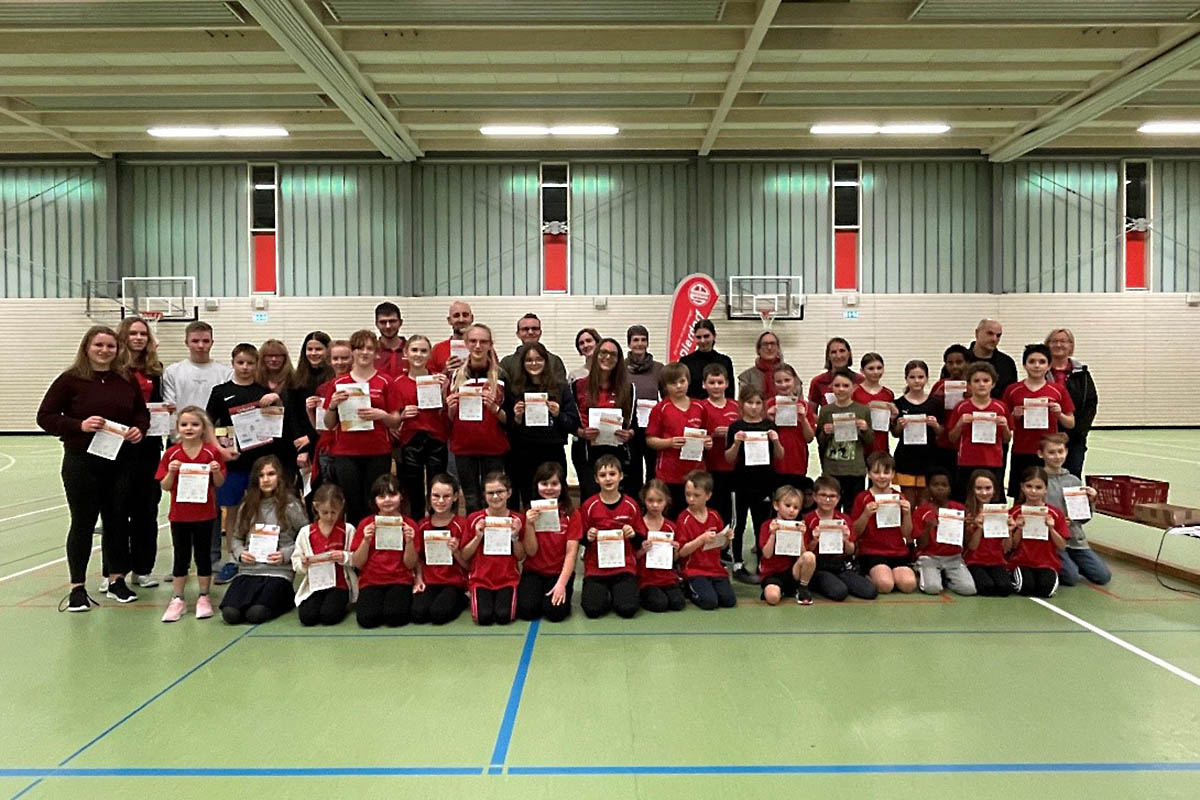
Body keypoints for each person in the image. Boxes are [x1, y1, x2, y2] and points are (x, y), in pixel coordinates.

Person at [38, 326, 149, 612]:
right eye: (99, 345)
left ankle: (116, 580)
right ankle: (77, 587)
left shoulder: (125, 378)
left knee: (116, 521)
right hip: (81, 461)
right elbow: (45, 416)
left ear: (117, 349)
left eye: (110, 346)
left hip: (120, 461)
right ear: (87, 347)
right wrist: (79, 425)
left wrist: (139, 429)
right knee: (83, 523)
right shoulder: (70, 379)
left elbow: (140, 412)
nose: (104, 351)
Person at [205, 342, 284, 585]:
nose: (245, 367)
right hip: (233, 462)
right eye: (241, 362)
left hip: (259, 463)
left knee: (260, 508)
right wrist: (220, 449)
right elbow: (209, 423)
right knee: (232, 510)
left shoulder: (263, 391)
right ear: (233, 363)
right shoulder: (220, 392)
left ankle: (259, 554)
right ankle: (233, 558)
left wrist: (277, 401)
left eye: (250, 363)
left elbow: (277, 423)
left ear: (256, 365)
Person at [161, 320, 232, 584]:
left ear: (212, 342)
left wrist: (215, 442)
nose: (201, 346)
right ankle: (181, 562)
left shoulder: (223, 372)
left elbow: (223, 412)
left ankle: (211, 557)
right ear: (187, 342)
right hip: (181, 444)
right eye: (196, 341)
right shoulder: (174, 371)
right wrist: (179, 439)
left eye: (205, 341)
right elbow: (170, 408)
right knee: (181, 502)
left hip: (211, 445)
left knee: (209, 502)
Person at [324, 329, 401, 527]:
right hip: (345, 452)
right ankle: (356, 546)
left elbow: (396, 421)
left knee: (376, 502)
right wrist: (332, 405)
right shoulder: (338, 383)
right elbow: (329, 424)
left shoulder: (385, 382)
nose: (364, 353)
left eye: (369, 348)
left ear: (376, 353)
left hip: (377, 451)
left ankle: (375, 547)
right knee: (351, 502)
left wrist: (382, 415)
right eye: (359, 348)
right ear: (352, 352)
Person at [156, 406, 225, 622]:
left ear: (203, 428)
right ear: (177, 428)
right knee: (181, 557)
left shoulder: (211, 453)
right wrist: (171, 472)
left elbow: (220, 482)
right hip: (180, 515)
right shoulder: (172, 453)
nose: (189, 428)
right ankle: (178, 598)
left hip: (205, 514)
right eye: (184, 424)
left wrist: (215, 471)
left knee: (203, 556)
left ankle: (204, 596)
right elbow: (165, 486)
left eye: (195, 424)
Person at [220, 455, 307, 624]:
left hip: (278, 572)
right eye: (261, 475)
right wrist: (240, 553)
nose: (266, 479)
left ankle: (286, 597)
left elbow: (306, 536)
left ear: (279, 477)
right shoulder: (247, 506)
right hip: (249, 570)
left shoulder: (290, 505)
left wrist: (286, 554)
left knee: (256, 614)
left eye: (271, 474)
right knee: (231, 614)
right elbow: (237, 537)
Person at [114, 315, 165, 589]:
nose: (138, 338)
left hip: (147, 446)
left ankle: (143, 568)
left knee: (146, 509)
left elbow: (158, 403)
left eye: (143, 334)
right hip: (117, 447)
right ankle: (115, 570)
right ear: (123, 336)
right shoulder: (111, 368)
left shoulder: (155, 369)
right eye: (133, 333)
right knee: (116, 510)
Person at [506, 342, 580, 509]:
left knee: (556, 498)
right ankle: (531, 534)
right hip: (523, 453)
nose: (534, 364)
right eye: (529, 360)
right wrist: (517, 418)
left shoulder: (560, 388)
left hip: (552, 450)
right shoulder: (515, 390)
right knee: (528, 498)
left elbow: (572, 424)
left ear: (546, 361)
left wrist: (558, 414)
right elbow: (507, 429)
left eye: (538, 359)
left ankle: (556, 534)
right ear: (522, 363)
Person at [572, 455, 645, 619]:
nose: (608, 479)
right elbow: (579, 537)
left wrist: (633, 534)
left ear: (620, 476)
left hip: (624, 567)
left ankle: (619, 593)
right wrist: (587, 536)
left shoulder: (631, 505)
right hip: (596, 568)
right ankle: (604, 593)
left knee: (628, 609)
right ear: (596, 479)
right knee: (592, 610)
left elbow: (641, 538)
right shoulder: (588, 506)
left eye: (612, 474)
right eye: (603, 475)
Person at [446, 324, 509, 512]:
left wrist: (494, 407)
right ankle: (477, 537)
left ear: (491, 344)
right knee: (472, 498)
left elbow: (510, 419)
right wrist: (451, 407)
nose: (478, 346)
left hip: (493, 447)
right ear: (466, 344)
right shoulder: (456, 375)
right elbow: (451, 419)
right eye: (473, 341)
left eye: (483, 342)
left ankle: (497, 537)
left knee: (494, 497)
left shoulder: (502, 375)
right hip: (464, 447)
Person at [724, 386, 783, 583]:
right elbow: (728, 458)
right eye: (750, 403)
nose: (754, 407)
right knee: (738, 524)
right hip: (739, 483)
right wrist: (736, 443)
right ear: (742, 405)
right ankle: (738, 564)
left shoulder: (769, 426)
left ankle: (761, 563)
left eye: (758, 403)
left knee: (761, 524)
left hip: (764, 483)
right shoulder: (735, 427)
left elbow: (780, 456)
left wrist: (775, 442)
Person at [1003, 343, 1075, 498]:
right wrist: (1014, 416)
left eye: (1042, 362)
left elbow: (1071, 422)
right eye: (1032, 361)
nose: (1036, 366)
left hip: (1048, 452)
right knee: (1021, 495)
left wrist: (1060, 414)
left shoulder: (1058, 390)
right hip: (1022, 450)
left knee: (1047, 495)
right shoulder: (1012, 390)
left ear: (1049, 365)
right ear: (1024, 365)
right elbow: (1003, 424)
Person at [349, 474, 419, 628]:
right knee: (367, 620)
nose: (387, 500)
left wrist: (409, 542)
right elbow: (358, 563)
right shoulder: (366, 524)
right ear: (374, 500)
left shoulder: (409, 524)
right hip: (371, 580)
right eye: (381, 496)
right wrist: (366, 541)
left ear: (401, 497)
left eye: (392, 494)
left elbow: (410, 564)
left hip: (400, 579)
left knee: (396, 618)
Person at [1040, 434, 1110, 586]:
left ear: (1066, 452)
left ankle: (1072, 563)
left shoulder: (1074, 481)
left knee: (1102, 576)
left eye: (1060, 451)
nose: (1057, 456)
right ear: (1041, 454)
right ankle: (1054, 564)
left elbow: (1083, 518)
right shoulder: (1037, 480)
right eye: (1051, 452)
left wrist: (1091, 503)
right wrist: (1056, 523)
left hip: (1075, 541)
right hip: (1052, 541)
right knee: (1071, 578)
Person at [394, 335, 450, 517]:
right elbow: (392, 418)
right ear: (406, 353)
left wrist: (444, 391)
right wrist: (401, 416)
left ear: (429, 355)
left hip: (437, 438)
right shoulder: (396, 383)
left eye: (423, 351)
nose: (418, 354)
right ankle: (417, 530)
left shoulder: (439, 380)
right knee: (412, 491)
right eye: (414, 350)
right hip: (410, 439)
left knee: (438, 488)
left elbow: (448, 412)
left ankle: (437, 528)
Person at [516, 461, 580, 622]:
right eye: (544, 483)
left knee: (555, 614)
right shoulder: (529, 512)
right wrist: (529, 525)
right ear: (537, 485)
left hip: (559, 573)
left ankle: (560, 591)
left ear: (562, 486)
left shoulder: (572, 514)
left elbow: (571, 554)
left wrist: (561, 584)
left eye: (554, 483)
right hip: (534, 571)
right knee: (527, 612)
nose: (549, 488)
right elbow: (530, 552)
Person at [573, 338, 635, 499]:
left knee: (617, 500)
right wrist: (581, 432)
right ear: (596, 355)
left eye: (613, 354)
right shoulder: (578, 385)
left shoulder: (628, 388)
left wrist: (630, 434)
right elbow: (570, 420)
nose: (607, 357)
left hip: (617, 452)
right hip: (587, 453)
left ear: (619, 359)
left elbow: (633, 423)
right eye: (603, 352)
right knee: (590, 499)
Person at [461, 472, 525, 626]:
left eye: (500, 492)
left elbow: (521, 556)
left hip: (508, 580)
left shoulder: (518, 520)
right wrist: (477, 537)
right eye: (490, 493)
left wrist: (515, 536)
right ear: (484, 495)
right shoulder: (474, 519)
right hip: (481, 580)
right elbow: (464, 555)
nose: (495, 497)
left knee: (504, 617)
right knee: (484, 618)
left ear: (509, 493)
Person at [646, 362, 708, 513]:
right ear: (665, 386)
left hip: (696, 473)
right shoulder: (660, 409)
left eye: (682, 381)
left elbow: (707, 435)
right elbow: (650, 440)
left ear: (688, 381)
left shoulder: (700, 407)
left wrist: (707, 442)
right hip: (669, 474)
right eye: (673, 383)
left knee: (694, 516)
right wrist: (669, 442)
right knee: (671, 516)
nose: (679, 386)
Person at [851, 452, 917, 594]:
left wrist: (907, 514)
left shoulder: (899, 497)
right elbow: (855, 532)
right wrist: (866, 514)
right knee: (885, 585)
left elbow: (907, 533)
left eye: (886, 472)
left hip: (897, 551)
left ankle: (890, 574)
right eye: (876, 472)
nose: (881, 476)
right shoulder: (863, 498)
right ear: (868, 474)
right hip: (872, 552)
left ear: (893, 474)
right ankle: (866, 574)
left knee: (909, 585)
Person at [803, 476, 877, 602]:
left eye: (832, 496)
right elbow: (805, 552)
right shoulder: (808, 519)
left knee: (870, 592)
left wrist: (846, 539)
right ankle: (816, 583)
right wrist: (814, 541)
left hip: (840, 564)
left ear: (838, 499)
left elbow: (850, 551)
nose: (827, 499)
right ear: (815, 497)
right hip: (819, 566)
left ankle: (845, 579)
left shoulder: (844, 519)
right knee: (839, 592)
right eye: (823, 495)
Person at [292, 483, 356, 627]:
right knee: (307, 618)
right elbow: (295, 562)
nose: (329, 517)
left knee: (329, 616)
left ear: (342, 506)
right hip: (315, 585)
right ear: (316, 507)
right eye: (325, 512)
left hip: (339, 585)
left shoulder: (348, 530)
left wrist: (344, 556)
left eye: (334, 512)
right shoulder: (306, 532)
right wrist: (303, 563)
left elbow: (357, 559)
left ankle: (340, 603)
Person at [948, 362, 1012, 501]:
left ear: (993, 384)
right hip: (967, 462)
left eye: (986, 380)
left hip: (993, 462)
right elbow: (952, 438)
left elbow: (1006, 439)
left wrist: (1005, 426)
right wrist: (960, 424)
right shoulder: (961, 407)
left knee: (992, 501)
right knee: (965, 499)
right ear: (969, 385)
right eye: (976, 381)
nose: (981, 384)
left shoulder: (1000, 407)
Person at [410, 474, 469, 625]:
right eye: (436, 496)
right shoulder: (422, 525)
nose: (441, 501)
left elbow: (469, 565)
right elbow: (418, 558)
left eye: (446, 496)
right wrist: (419, 578)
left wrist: (456, 552)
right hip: (430, 582)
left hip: (454, 583)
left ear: (455, 497)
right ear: (429, 496)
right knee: (418, 614)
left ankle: (464, 598)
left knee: (439, 615)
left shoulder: (462, 525)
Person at [675, 470, 737, 610]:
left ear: (708, 496)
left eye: (696, 495)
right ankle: (687, 588)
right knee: (709, 602)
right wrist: (701, 539)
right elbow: (681, 552)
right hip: (694, 570)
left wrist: (727, 538)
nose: (691, 499)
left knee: (728, 601)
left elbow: (721, 547)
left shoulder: (714, 516)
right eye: (688, 494)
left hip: (715, 569)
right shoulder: (683, 519)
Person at [912, 468, 976, 597]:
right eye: (935, 485)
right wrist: (928, 528)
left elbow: (966, 542)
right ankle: (924, 573)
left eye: (944, 485)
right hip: (929, 557)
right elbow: (920, 546)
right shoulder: (922, 511)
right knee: (932, 588)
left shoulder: (959, 509)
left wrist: (967, 527)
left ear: (950, 488)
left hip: (954, 558)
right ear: (928, 488)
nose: (940, 488)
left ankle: (946, 578)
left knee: (969, 589)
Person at [814, 368, 872, 510]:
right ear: (831, 387)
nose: (841, 389)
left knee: (853, 509)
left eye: (845, 386)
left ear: (854, 387)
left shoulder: (862, 410)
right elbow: (820, 442)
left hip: (855, 469)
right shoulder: (826, 410)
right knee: (831, 508)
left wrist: (865, 429)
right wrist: (825, 433)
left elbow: (870, 441)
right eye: (837, 385)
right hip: (832, 469)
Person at [1044, 328, 1098, 478]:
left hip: (1074, 438)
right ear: (1047, 345)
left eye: (1063, 341)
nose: (1059, 345)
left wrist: (1079, 431)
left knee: (1073, 475)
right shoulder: (1039, 371)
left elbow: (1090, 404)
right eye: (1054, 341)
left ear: (1071, 345)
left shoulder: (1082, 373)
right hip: (1046, 436)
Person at [1009, 466, 1069, 598]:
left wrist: (1051, 529)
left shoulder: (1055, 514)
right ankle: (1010, 577)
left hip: (1047, 563)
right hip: (1022, 561)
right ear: (1022, 487)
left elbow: (1062, 545)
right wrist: (1018, 528)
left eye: (1038, 487)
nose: (1033, 491)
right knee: (1024, 588)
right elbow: (1012, 546)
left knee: (1046, 591)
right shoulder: (1015, 512)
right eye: (1029, 486)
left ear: (1046, 489)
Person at [699, 364, 738, 556]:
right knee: (711, 509)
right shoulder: (700, 407)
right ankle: (711, 548)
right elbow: (696, 435)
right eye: (711, 383)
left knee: (729, 510)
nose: (716, 386)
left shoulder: (735, 406)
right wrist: (710, 436)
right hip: (710, 467)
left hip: (732, 469)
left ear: (727, 384)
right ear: (704, 385)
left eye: (720, 382)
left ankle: (727, 548)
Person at [892, 359, 942, 506]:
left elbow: (941, 431)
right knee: (908, 502)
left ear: (927, 378)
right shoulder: (899, 403)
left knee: (924, 501)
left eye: (920, 377)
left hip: (929, 457)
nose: (916, 381)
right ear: (906, 379)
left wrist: (935, 425)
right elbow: (895, 433)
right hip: (906, 458)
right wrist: (900, 426)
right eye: (912, 377)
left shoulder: (935, 403)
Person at [285, 331, 331, 492]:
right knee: (308, 491)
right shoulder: (296, 379)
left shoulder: (334, 378)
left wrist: (312, 437)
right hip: (302, 444)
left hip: (327, 441)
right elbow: (293, 416)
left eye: (318, 349)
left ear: (327, 351)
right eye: (309, 349)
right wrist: (303, 447)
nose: (313, 353)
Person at [759, 484, 818, 606]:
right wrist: (772, 534)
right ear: (776, 505)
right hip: (772, 573)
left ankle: (803, 588)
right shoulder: (767, 525)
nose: (791, 510)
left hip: (792, 572)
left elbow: (803, 555)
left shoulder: (800, 527)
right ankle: (778, 590)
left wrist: (801, 535)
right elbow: (767, 554)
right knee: (773, 598)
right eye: (787, 506)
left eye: (796, 507)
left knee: (810, 556)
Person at [962, 469, 1014, 597]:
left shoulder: (1001, 512)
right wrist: (978, 527)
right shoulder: (967, 513)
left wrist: (1009, 530)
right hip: (974, 561)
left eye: (988, 488)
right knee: (986, 587)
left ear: (994, 490)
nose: (984, 492)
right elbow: (972, 547)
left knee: (1005, 589)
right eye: (979, 488)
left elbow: (1006, 548)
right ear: (972, 490)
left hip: (996, 561)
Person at [625, 324, 663, 495]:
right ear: (629, 344)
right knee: (633, 470)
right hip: (630, 426)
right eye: (635, 340)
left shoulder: (658, 368)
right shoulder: (621, 367)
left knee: (652, 468)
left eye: (643, 340)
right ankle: (635, 504)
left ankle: (652, 501)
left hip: (652, 426)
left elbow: (666, 397)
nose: (639, 344)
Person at [636, 479, 685, 613]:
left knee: (678, 603)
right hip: (646, 578)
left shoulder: (671, 527)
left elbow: (675, 560)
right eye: (650, 501)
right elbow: (631, 557)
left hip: (667, 576)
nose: (655, 505)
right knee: (660, 604)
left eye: (659, 501)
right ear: (644, 500)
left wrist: (675, 550)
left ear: (666, 501)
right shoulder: (638, 525)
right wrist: (642, 550)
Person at [766, 365, 816, 494]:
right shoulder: (768, 405)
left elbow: (809, 438)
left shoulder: (804, 405)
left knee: (796, 501)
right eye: (779, 381)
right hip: (774, 463)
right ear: (774, 384)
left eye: (787, 380)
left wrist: (803, 419)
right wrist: (768, 418)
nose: (783, 385)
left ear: (794, 380)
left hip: (797, 461)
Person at [930, 344, 971, 475]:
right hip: (943, 443)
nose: (955, 366)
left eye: (959, 362)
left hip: (967, 442)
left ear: (967, 363)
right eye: (950, 363)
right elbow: (929, 411)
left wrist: (971, 398)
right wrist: (937, 401)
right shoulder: (939, 386)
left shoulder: (974, 386)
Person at [498, 313, 567, 386]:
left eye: (535, 328)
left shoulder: (554, 361)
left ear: (540, 333)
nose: (530, 332)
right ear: (518, 334)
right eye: (525, 329)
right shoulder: (506, 363)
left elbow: (562, 391)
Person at [852, 352, 896, 457]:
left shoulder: (888, 394)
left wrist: (893, 417)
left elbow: (891, 427)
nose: (876, 372)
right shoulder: (854, 392)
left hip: (881, 445)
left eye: (879, 368)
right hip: (859, 446)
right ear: (862, 371)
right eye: (871, 368)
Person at [679, 319, 734, 400]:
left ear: (714, 336)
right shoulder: (685, 362)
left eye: (706, 336)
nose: (703, 341)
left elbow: (730, 392)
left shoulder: (725, 361)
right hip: (694, 409)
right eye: (699, 337)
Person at [962, 319, 1018, 399]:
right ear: (977, 333)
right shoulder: (959, 362)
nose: (994, 339)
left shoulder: (1007, 363)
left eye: (998, 335)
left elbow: (1011, 395)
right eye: (990, 333)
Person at [808, 337, 862, 410]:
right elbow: (811, 413)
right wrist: (824, 420)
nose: (838, 356)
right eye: (833, 352)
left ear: (849, 354)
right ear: (828, 356)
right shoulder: (817, 382)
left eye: (842, 351)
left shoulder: (861, 380)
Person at [428, 300, 474, 375]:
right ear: (449, 320)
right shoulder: (438, 350)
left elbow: (494, 376)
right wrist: (446, 371)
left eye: (465, 315)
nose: (461, 319)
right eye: (456, 316)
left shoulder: (483, 347)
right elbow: (430, 382)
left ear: (472, 318)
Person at [736, 331, 782, 396]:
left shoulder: (789, 373)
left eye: (773, 344)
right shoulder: (747, 377)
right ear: (758, 349)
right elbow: (743, 403)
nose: (769, 347)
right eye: (765, 344)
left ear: (778, 348)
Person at [372, 301, 408, 378]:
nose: (388, 326)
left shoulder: (413, 350)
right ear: (376, 324)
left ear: (400, 323)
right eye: (383, 322)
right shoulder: (371, 351)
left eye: (392, 321)